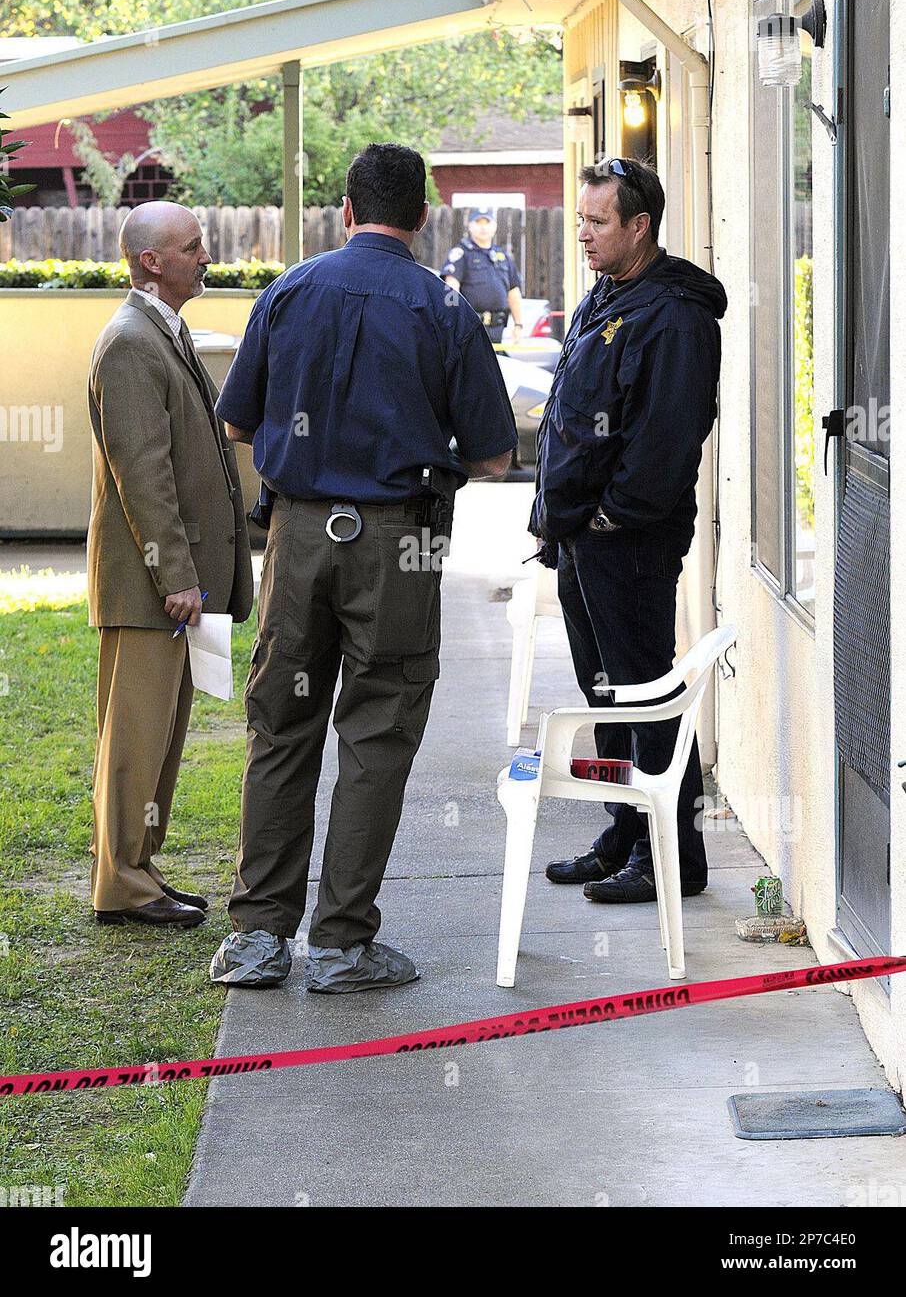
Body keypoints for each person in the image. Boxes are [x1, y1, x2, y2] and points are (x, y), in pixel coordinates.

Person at [210, 143, 517, 992]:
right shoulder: (442, 308)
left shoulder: (288, 292)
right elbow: (494, 456)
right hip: (398, 544)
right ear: (422, 217)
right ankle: (342, 944)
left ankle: (258, 939)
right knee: (377, 735)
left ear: (346, 210)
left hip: (300, 537)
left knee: (281, 728)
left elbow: (236, 425)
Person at [530, 158, 726, 904]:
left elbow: (669, 440)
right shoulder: (610, 293)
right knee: (605, 695)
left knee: (647, 699)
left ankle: (674, 853)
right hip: (584, 536)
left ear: (639, 226)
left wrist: (611, 517)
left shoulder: (674, 314)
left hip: (628, 542)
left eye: (597, 221)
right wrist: (560, 521)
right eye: (580, 218)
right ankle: (625, 830)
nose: (583, 232)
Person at [87, 201, 253, 926]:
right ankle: (122, 881)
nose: (205, 254)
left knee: (161, 735)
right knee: (135, 738)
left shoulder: (160, 330)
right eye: (192, 246)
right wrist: (175, 573)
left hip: (167, 583)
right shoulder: (130, 340)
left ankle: (139, 870)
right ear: (152, 260)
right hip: (148, 585)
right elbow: (142, 473)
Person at [441, 206, 524, 344]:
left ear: (495, 227)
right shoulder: (461, 253)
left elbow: (513, 291)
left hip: (498, 329)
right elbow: (451, 287)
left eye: (487, 223)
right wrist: (452, 320)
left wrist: (518, 325)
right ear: (470, 226)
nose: (483, 227)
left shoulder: (502, 256)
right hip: (470, 328)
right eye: (478, 222)